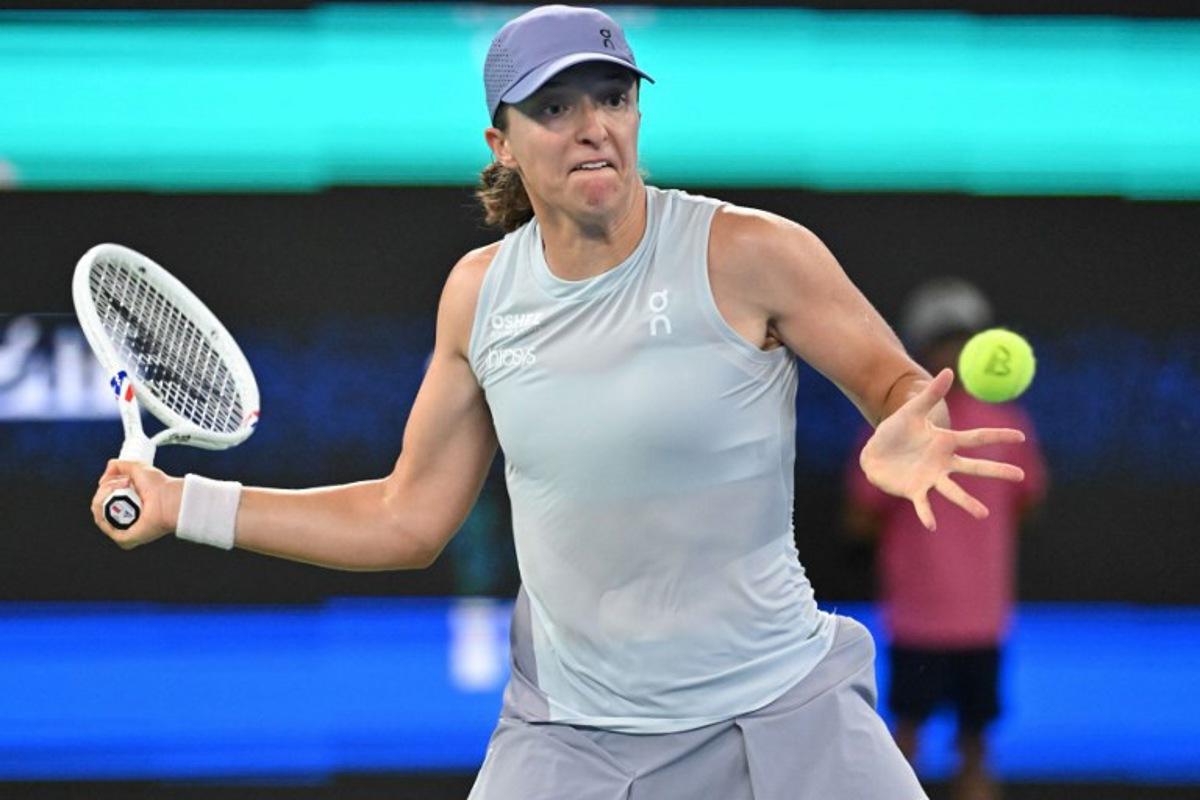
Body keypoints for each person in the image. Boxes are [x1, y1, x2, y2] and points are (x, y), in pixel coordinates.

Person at [91, 6, 1029, 798]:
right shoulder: (479, 295)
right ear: (501, 142)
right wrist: (184, 504)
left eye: (614, 98)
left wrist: (909, 419)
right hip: (570, 743)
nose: (594, 125)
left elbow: (899, 387)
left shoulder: (751, 253)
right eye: (554, 106)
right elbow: (405, 515)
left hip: (785, 714)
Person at [843, 278, 1047, 800]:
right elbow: (860, 521)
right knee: (902, 745)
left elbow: (1026, 503)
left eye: (963, 339)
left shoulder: (1009, 425)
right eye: (941, 340)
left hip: (983, 620)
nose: (953, 353)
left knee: (976, 750)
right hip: (916, 621)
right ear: (920, 349)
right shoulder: (892, 429)